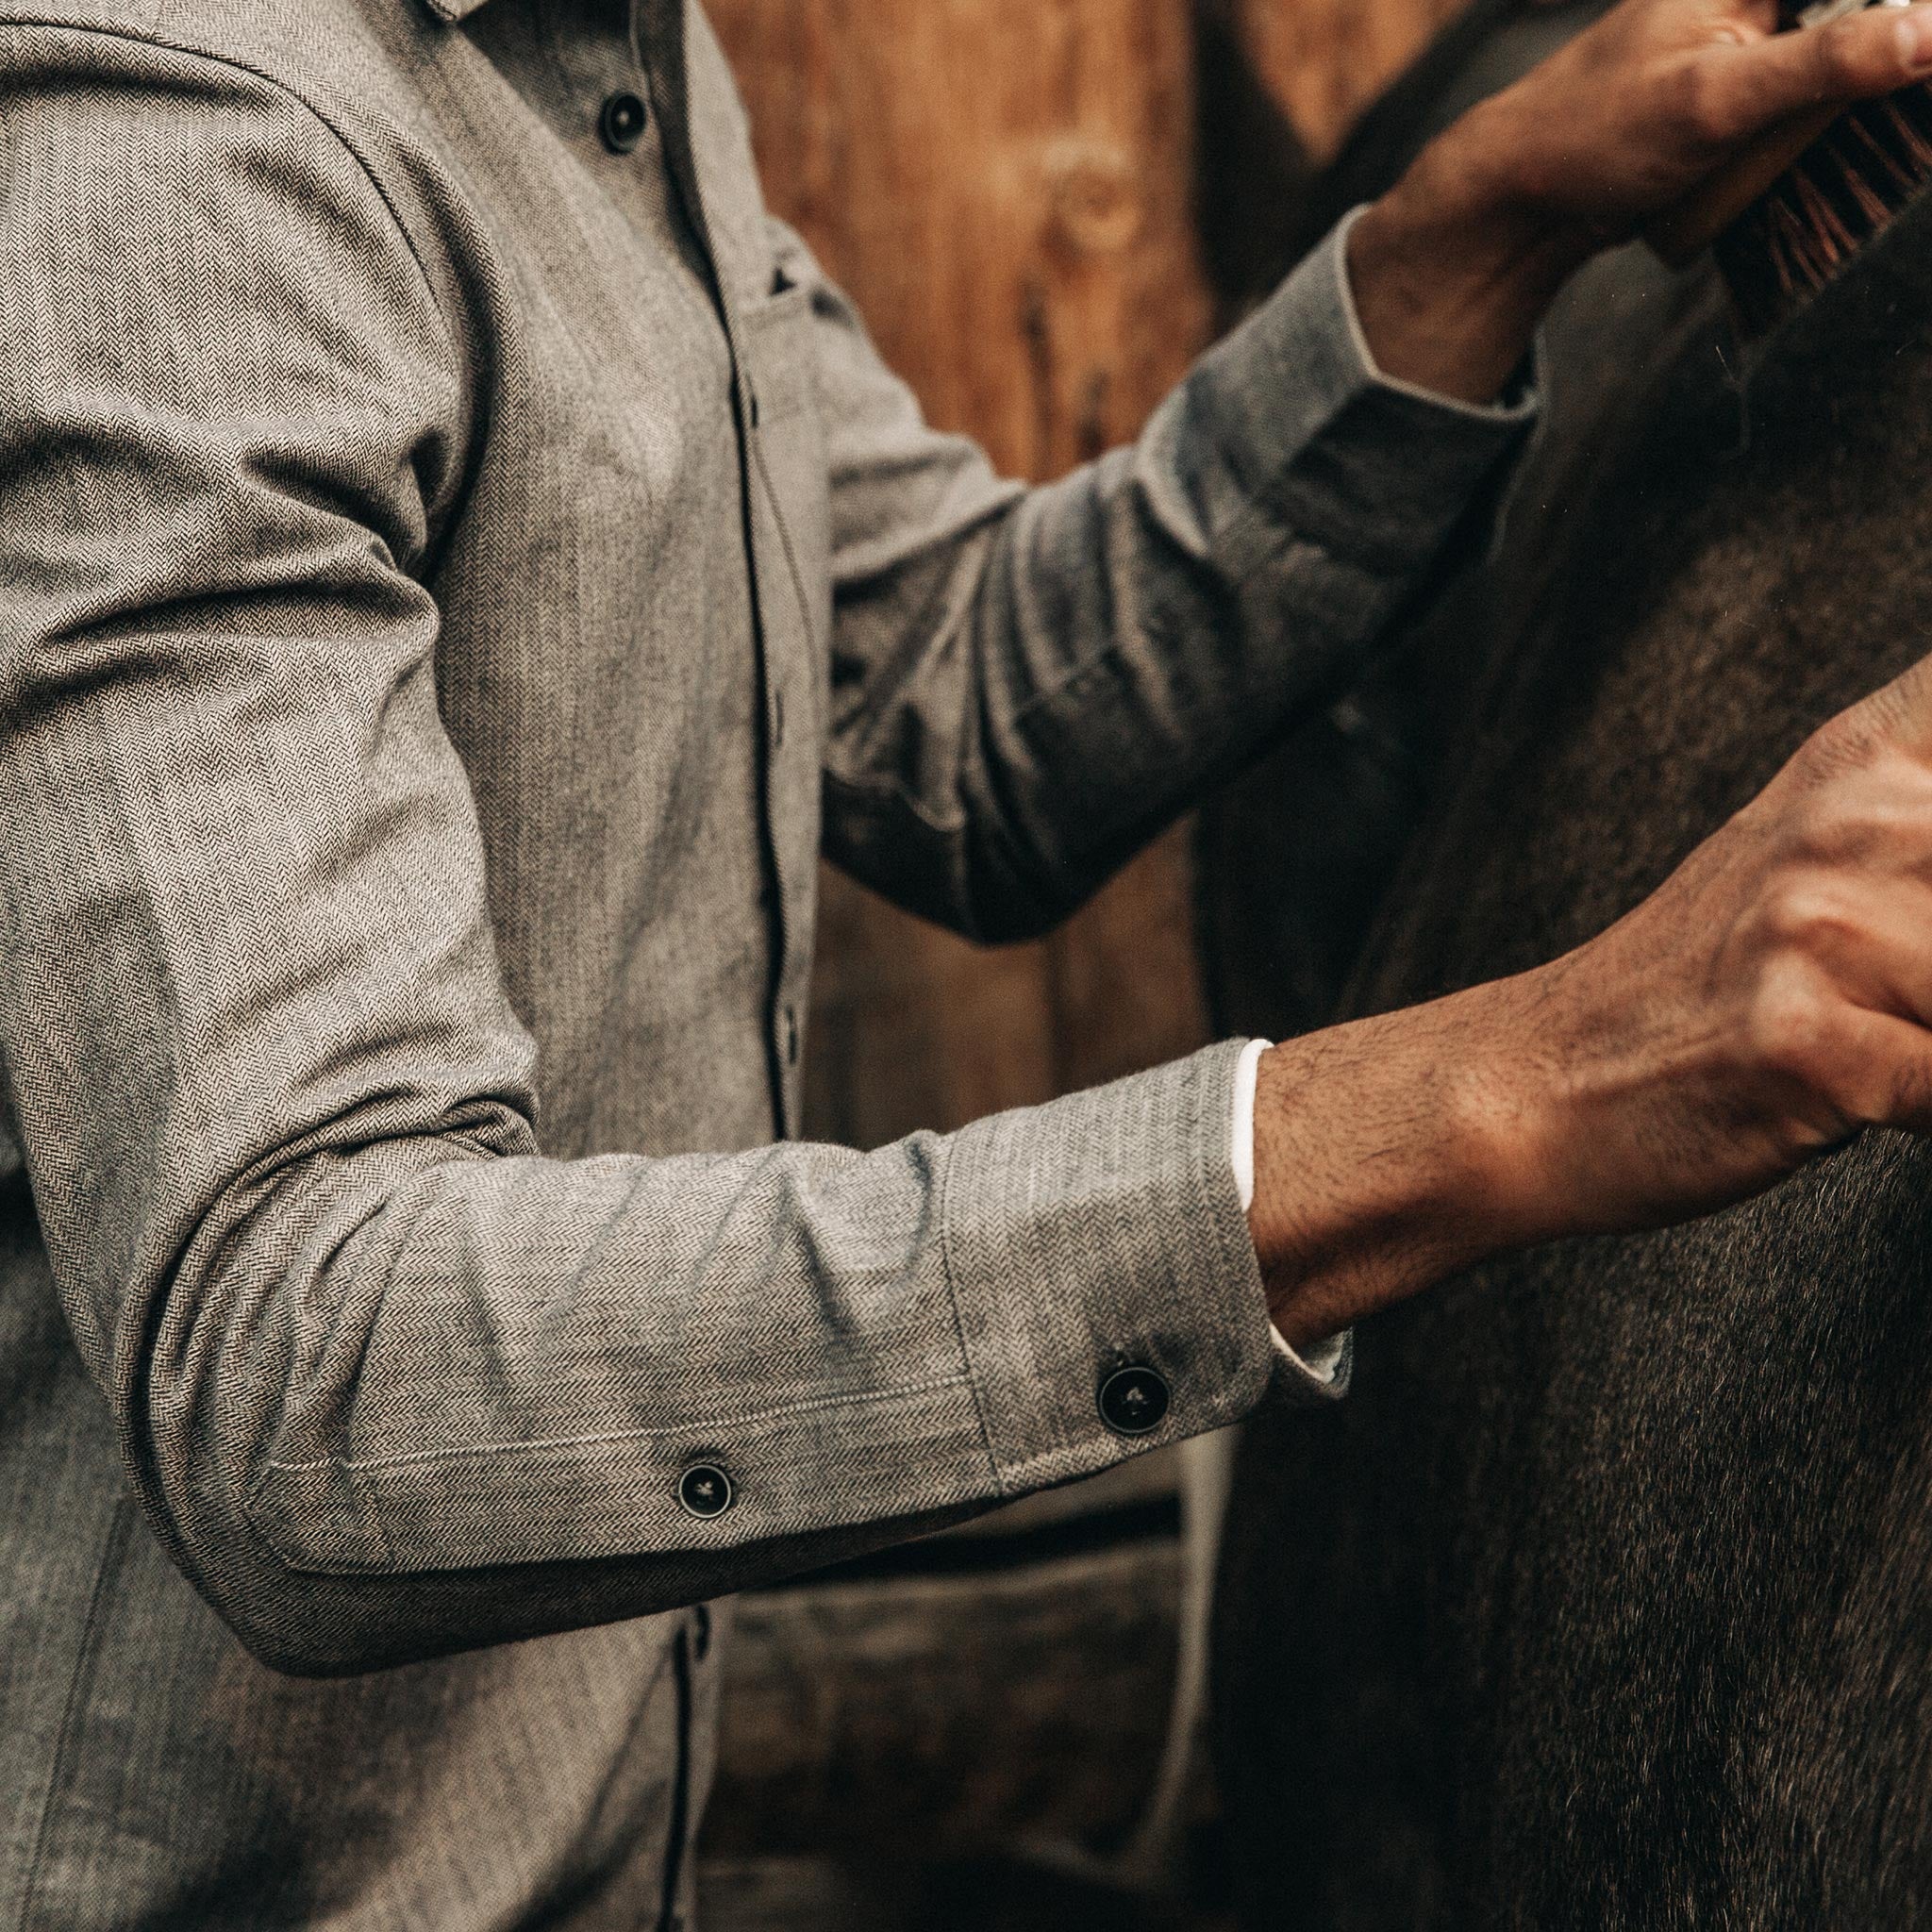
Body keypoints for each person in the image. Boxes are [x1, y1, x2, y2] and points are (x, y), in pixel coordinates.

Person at [5, 0, 1932, 1923]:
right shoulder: (181, 157)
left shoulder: (601, 56)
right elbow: (308, 1374)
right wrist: (1532, 1075)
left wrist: (1474, 243)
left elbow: (955, 700)